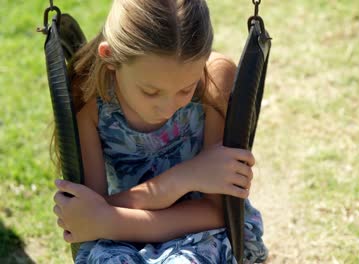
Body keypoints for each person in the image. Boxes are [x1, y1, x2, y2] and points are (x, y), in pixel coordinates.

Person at [51, 0, 268, 263]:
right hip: (119, 233)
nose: (167, 108)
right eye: (150, 91)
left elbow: (218, 211)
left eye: (186, 89)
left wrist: (107, 219)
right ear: (110, 57)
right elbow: (88, 212)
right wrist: (185, 177)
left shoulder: (215, 79)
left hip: (204, 233)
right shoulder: (89, 98)